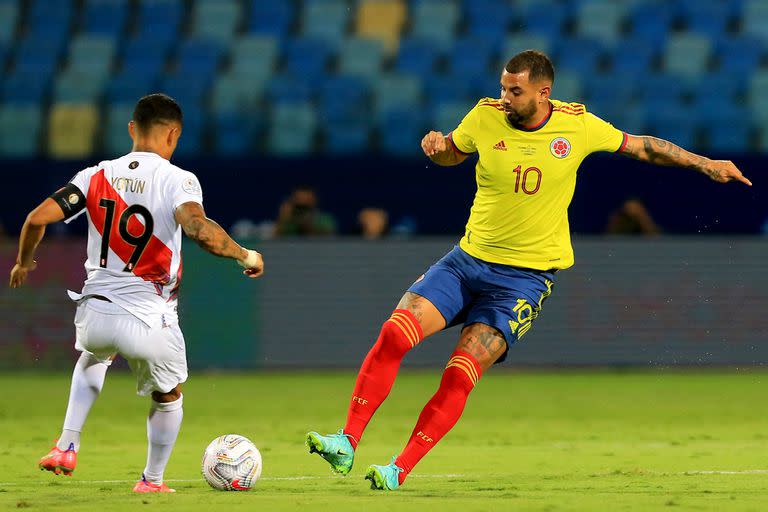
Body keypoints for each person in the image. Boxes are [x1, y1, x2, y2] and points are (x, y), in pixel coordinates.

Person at [305, 50, 751, 490]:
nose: (504, 96)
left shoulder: (576, 125)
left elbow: (643, 148)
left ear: (543, 91)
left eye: (514, 90)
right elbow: (452, 155)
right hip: (466, 263)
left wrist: (705, 164)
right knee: (393, 334)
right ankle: (346, 441)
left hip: (523, 281)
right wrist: (438, 147)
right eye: (502, 86)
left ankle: (397, 470)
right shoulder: (484, 116)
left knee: (459, 373)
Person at [9, 93, 264, 493]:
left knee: (93, 356)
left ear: (132, 129)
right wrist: (245, 255)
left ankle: (66, 445)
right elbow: (200, 231)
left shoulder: (95, 175)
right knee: (169, 395)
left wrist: (24, 263)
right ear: (174, 134)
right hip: (149, 315)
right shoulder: (179, 180)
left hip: (94, 312)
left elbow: (35, 218)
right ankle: (151, 481)